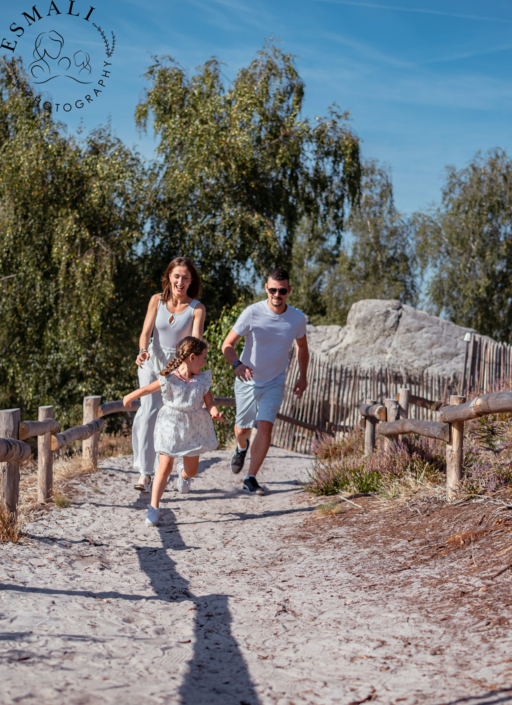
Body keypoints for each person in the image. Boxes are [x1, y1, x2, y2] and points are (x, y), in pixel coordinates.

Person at [221, 268, 309, 495]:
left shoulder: (297, 318)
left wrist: (303, 376)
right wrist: (237, 365)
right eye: (272, 290)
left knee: (265, 426)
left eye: (282, 290)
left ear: (289, 290)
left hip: (274, 382)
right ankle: (242, 447)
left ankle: (251, 478)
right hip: (247, 381)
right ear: (266, 289)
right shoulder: (252, 313)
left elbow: (302, 348)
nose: (277, 294)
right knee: (242, 429)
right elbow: (227, 345)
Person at [123, 336, 224, 526]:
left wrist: (214, 412)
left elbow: (209, 402)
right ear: (192, 357)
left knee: (192, 471)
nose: (205, 362)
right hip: (170, 423)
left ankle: (183, 475)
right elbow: (147, 389)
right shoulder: (168, 377)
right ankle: (153, 508)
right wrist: (130, 396)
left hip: (193, 427)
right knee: (165, 465)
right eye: (204, 358)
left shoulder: (202, 379)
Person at [132, 257, 205, 494]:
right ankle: (145, 472)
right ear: (169, 277)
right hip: (151, 360)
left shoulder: (197, 309)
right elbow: (145, 334)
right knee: (148, 411)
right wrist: (142, 351)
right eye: (176, 276)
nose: (180, 281)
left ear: (191, 280)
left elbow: (194, 344)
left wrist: (184, 368)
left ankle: (181, 471)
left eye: (185, 277)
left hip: (178, 367)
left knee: (177, 416)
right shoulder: (156, 300)